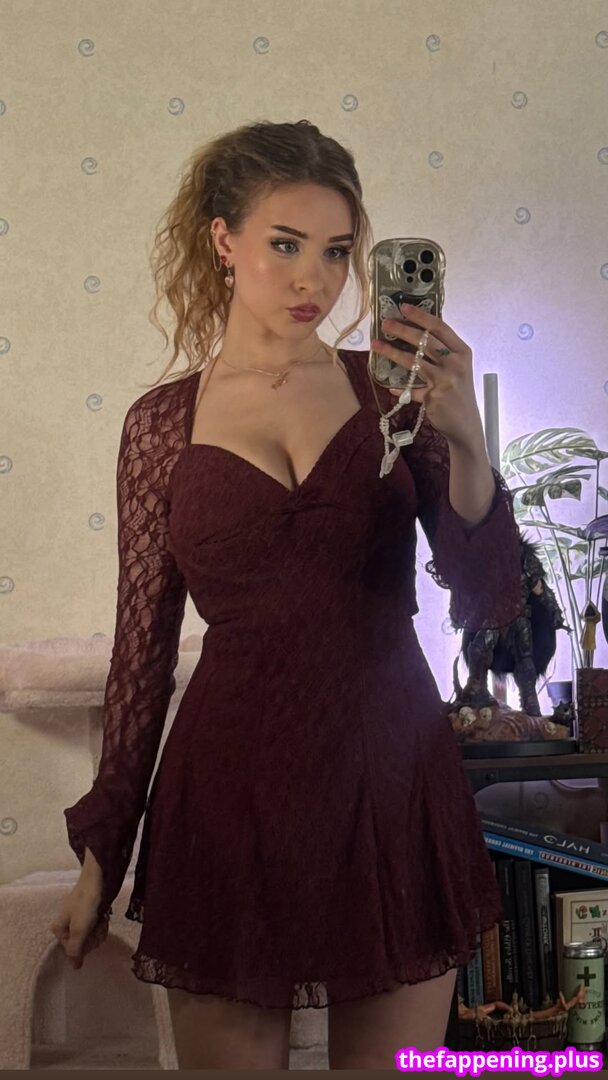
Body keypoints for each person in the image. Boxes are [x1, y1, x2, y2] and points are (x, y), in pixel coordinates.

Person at [50, 119, 524, 1070]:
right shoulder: (162, 425)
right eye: (286, 245)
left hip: (391, 781)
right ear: (223, 240)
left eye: (338, 252)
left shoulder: (396, 396)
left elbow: (487, 604)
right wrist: (106, 847)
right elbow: (141, 651)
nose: (316, 280)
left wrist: (468, 439)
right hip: (229, 795)